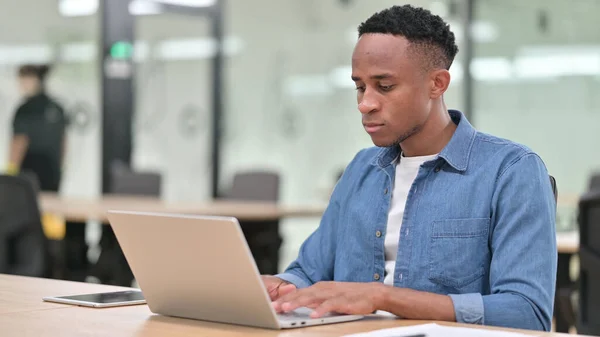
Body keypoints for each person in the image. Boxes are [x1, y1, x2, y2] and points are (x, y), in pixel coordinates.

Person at [262, 5, 557, 332]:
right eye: (360, 87)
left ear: (437, 84)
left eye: (384, 86)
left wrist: (382, 297)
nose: (365, 103)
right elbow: (308, 271)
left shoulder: (512, 170)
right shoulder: (362, 168)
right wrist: (279, 286)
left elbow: (527, 311)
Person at [6, 64, 68, 192]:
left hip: (29, 174)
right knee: (50, 208)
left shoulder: (25, 109)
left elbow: (19, 142)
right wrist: (60, 168)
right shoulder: (57, 107)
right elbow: (63, 143)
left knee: (28, 208)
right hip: (53, 172)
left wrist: (11, 171)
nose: (21, 84)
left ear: (36, 80)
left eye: (24, 79)